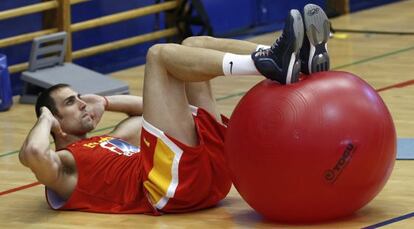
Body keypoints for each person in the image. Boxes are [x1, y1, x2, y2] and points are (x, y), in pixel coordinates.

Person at [18, 4, 330, 214]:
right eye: (71, 102)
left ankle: (291, 59)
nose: (82, 102)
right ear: (57, 124)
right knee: (158, 55)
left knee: (193, 44)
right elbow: (33, 154)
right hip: (171, 189)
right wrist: (44, 118)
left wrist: (107, 101)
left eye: (79, 96)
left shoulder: (113, 139)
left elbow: (156, 109)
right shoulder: (64, 166)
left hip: (205, 175)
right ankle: (268, 65)